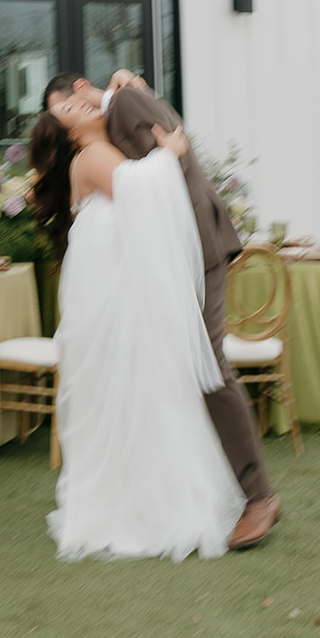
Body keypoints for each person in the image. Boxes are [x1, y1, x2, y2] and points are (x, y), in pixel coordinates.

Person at [42, 70, 280, 551]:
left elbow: (172, 139)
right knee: (170, 371)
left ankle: (259, 498)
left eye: (65, 105)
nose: (71, 115)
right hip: (166, 263)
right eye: (62, 116)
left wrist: (132, 92)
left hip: (199, 249)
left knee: (207, 365)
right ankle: (169, 494)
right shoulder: (102, 136)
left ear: (83, 90)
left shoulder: (123, 104)